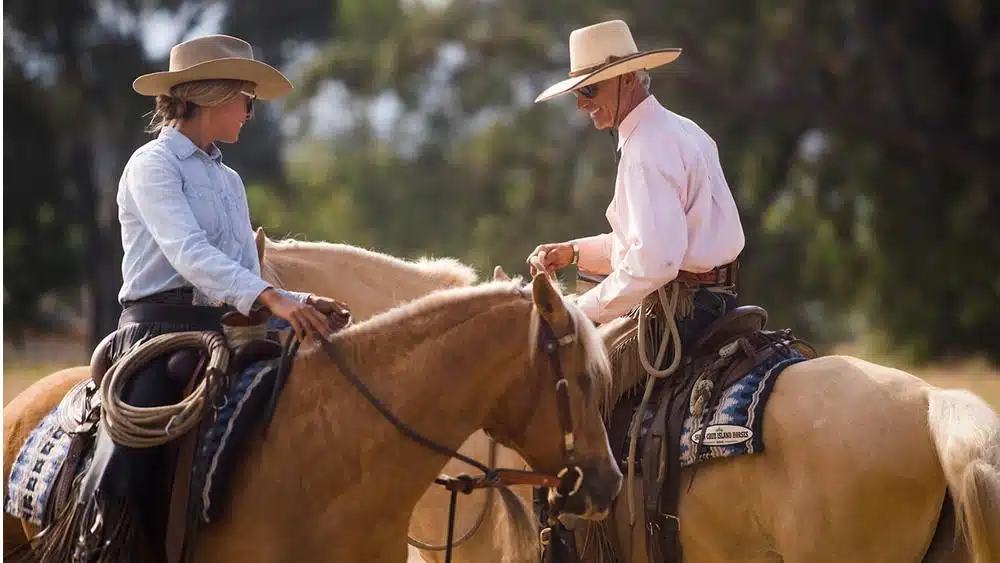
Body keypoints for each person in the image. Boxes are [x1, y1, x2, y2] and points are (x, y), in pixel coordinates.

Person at [70, 34, 348, 562]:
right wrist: (270, 296)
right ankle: (101, 540)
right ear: (216, 97)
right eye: (247, 98)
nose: (250, 110)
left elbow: (242, 274)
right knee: (128, 457)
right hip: (156, 334)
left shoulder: (230, 181)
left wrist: (303, 300)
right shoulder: (152, 166)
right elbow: (188, 252)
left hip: (222, 330)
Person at [527, 19, 746, 362]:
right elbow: (650, 243)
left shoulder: (645, 149)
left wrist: (578, 310)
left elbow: (656, 261)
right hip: (715, 300)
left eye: (590, 90)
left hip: (681, 311)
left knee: (576, 384)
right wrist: (573, 252)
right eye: (578, 93)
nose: (582, 105)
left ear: (627, 79)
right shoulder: (680, 128)